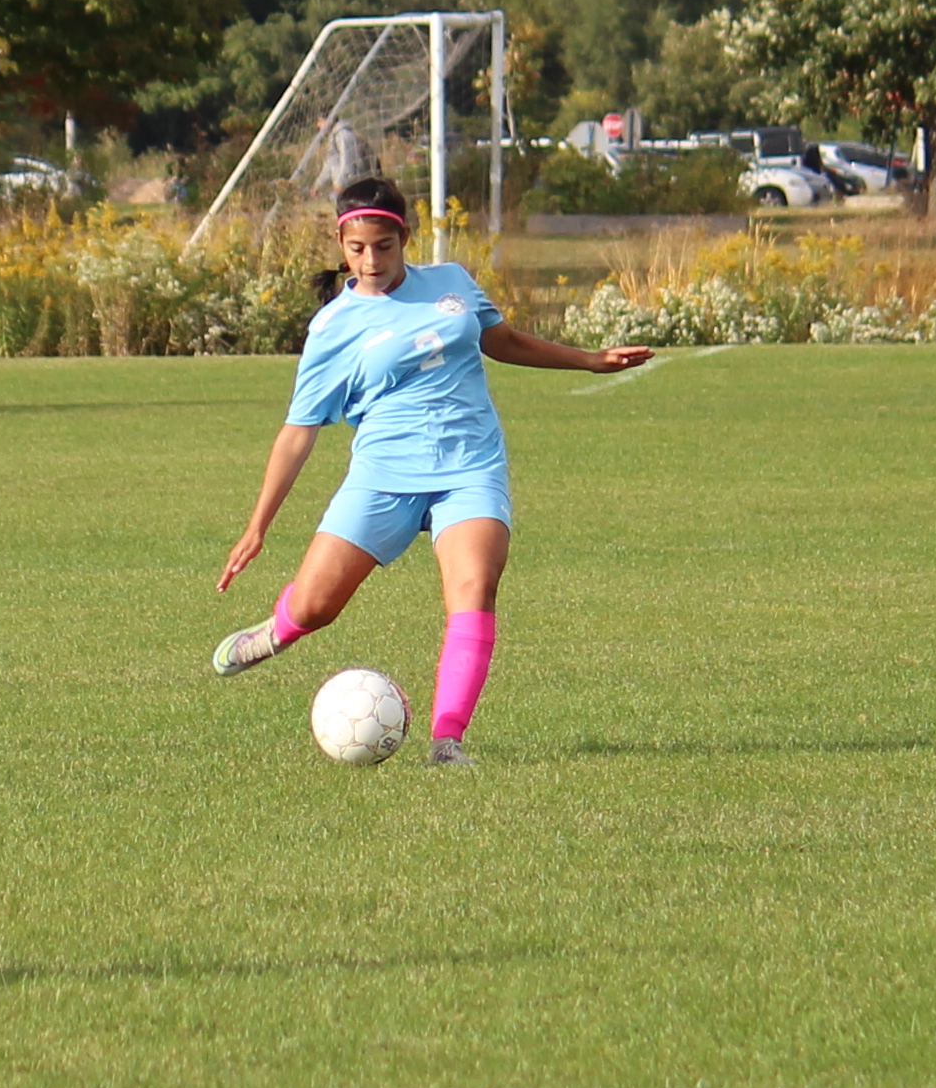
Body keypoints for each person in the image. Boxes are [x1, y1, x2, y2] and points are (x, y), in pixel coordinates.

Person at [207, 175, 652, 763]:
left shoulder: (451, 283)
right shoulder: (333, 327)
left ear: (405, 238)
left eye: (383, 247)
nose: (370, 261)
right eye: (357, 248)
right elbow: (298, 432)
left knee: (474, 588)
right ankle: (276, 630)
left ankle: (448, 741)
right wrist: (258, 525)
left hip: (471, 466)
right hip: (383, 475)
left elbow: (505, 341)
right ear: (342, 242)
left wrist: (588, 361)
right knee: (317, 606)